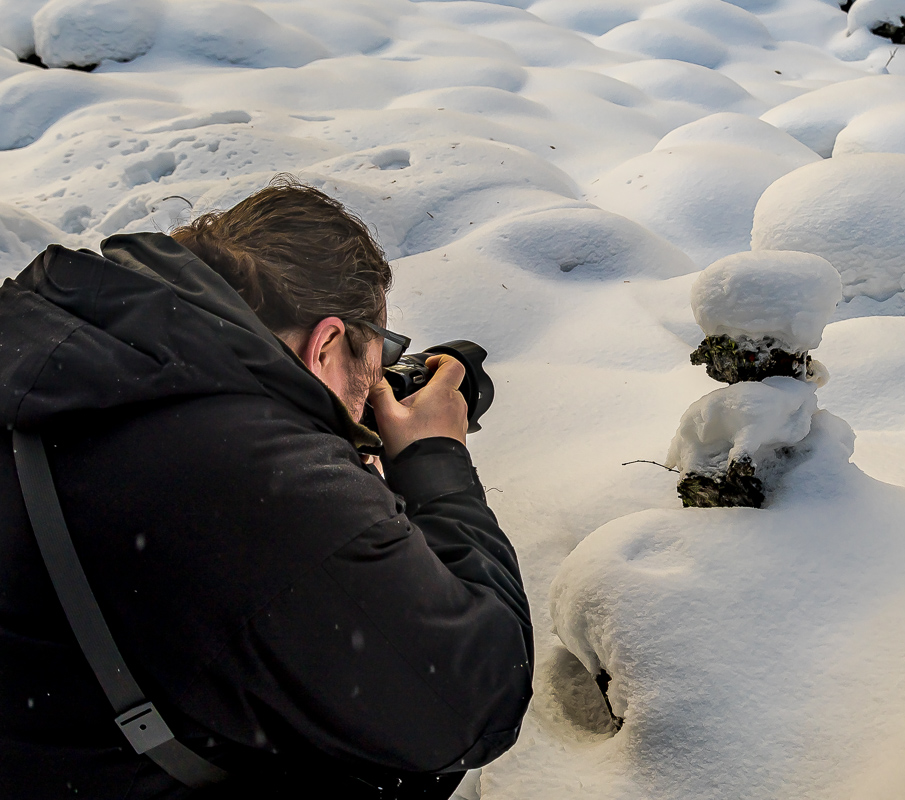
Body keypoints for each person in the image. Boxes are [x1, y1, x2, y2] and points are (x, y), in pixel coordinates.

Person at [0, 177, 534, 799]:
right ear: (326, 343)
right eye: (375, 359)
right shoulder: (253, 475)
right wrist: (434, 461)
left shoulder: (58, 354)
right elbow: (475, 704)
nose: (377, 386)